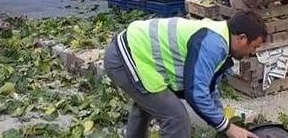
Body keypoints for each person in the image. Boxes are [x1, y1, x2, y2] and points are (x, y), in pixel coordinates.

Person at [104, 11, 267, 138]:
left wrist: (225, 124)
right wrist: (228, 128)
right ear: (242, 38)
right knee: (177, 119)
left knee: (148, 106)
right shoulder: (214, 45)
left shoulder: (221, 39)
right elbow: (196, 94)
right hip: (126, 57)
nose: (252, 53)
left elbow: (209, 89)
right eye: (254, 47)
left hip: (131, 53)